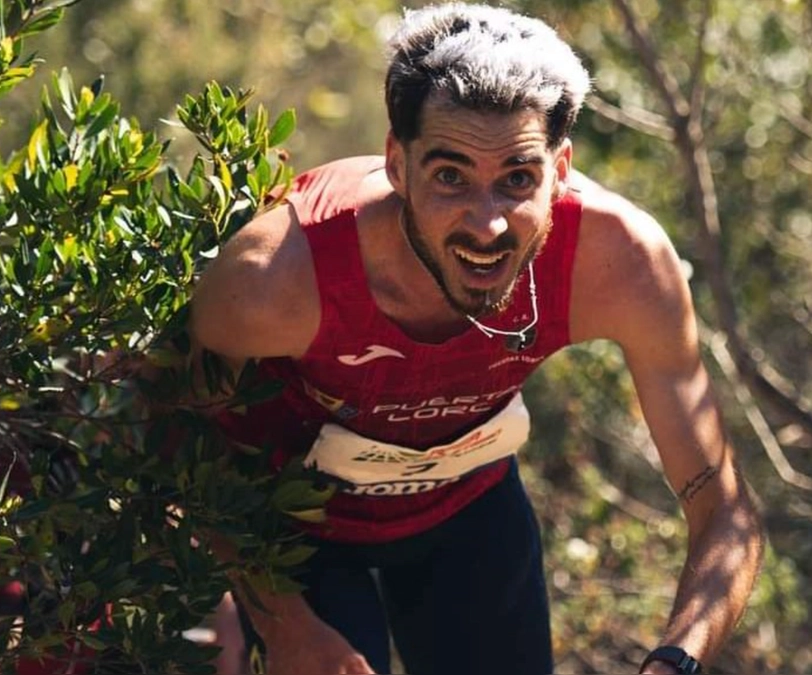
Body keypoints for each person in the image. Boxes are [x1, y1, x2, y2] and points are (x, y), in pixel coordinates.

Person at [188, 3, 764, 674]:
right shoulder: (278, 276)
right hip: (291, 532)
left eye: (517, 179)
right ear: (397, 165)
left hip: (466, 513)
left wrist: (675, 661)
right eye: (450, 177)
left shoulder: (619, 263)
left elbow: (721, 508)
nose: (487, 226)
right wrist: (279, 619)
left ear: (561, 170)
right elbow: (169, 432)